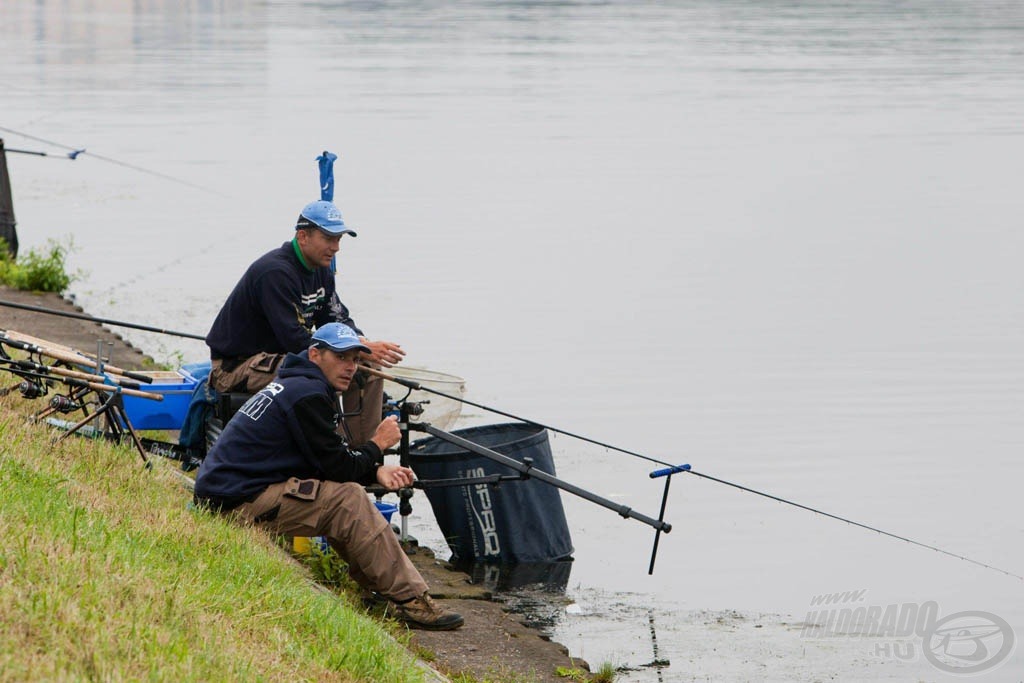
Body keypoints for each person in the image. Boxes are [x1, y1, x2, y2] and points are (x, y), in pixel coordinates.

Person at [194, 322, 464, 631]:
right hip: (233, 504)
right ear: (315, 354)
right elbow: (337, 467)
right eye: (340, 357)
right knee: (346, 500)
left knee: (342, 494)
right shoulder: (307, 394)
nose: (350, 368)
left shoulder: (296, 384)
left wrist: (374, 469)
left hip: (228, 494)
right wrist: (378, 444)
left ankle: (381, 591)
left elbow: (323, 460)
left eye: (355, 359)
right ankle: (412, 601)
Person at [205, 199, 404, 444]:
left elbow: (338, 319)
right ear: (303, 236)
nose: (336, 247)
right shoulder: (275, 273)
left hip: (283, 356)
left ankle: (361, 456)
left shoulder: (322, 270)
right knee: (324, 368)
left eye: (339, 239)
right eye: (329, 238)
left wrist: (360, 346)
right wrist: (350, 352)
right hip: (236, 367)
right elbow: (295, 340)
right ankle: (328, 451)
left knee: (369, 371)